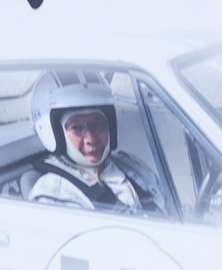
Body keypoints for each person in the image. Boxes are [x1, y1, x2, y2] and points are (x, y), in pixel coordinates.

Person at [19, 72, 155, 210]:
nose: (91, 139)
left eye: (97, 124)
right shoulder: (53, 196)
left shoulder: (133, 167)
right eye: (77, 128)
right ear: (57, 134)